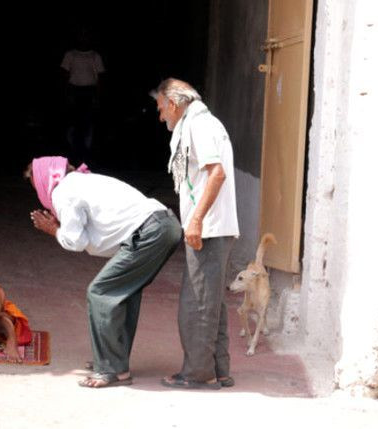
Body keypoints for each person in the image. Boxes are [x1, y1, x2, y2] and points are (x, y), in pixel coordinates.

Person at [26, 156, 182, 388]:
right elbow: (98, 237)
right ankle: (114, 362)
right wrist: (60, 227)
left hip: (150, 232)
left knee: (100, 292)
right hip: (165, 225)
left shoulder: (62, 192)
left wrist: (53, 230)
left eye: (35, 184)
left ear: (43, 181)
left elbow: (76, 241)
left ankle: (111, 370)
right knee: (124, 292)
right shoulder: (84, 181)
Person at [151, 78, 239, 390]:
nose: (161, 116)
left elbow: (216, 173)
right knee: (211, 300)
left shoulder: (200, 126)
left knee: (198, 301)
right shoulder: (198, 123)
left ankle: (198, 373)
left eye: (161, 108)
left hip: (210, 228)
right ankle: (218, 369)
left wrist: (197, 220)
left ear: (173, 104)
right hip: (212, 226)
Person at [60, 28, 105, 165]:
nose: (84, 38)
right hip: (74, 91)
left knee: (88, 124)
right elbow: (64, 75)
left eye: (86, 36)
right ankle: (73, 151)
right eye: (81, 35)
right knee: (73, 124)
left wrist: (97, 96)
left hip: (89, 92)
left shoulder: (95, 56)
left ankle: (87, 153)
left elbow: (100, 77)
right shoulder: (70, 55)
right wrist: (67, 93)